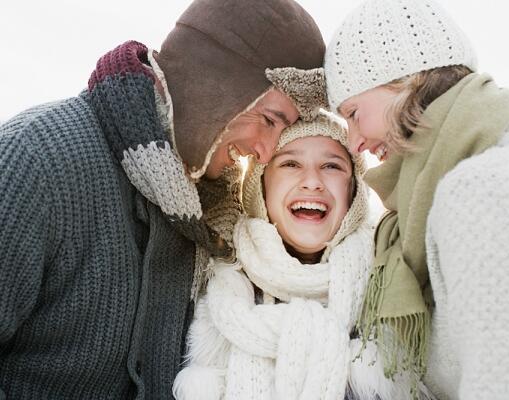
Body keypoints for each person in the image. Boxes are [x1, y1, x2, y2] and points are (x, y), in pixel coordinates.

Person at [0, 0, 326, 398]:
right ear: (216, 82)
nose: (266, 151)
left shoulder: (213, 213)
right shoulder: (35, 160)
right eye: (269, 120)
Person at [324, 0, 509, 398]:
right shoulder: (439, 194)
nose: (354, 142)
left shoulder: (483, 189)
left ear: (406, 81)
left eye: (353, 113)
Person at [172, 114, 423, 400]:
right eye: (290, 164)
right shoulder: (211, 283)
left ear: (353, 192)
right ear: (261, 187)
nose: (312, 182)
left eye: (331, 166)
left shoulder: (391, 285)